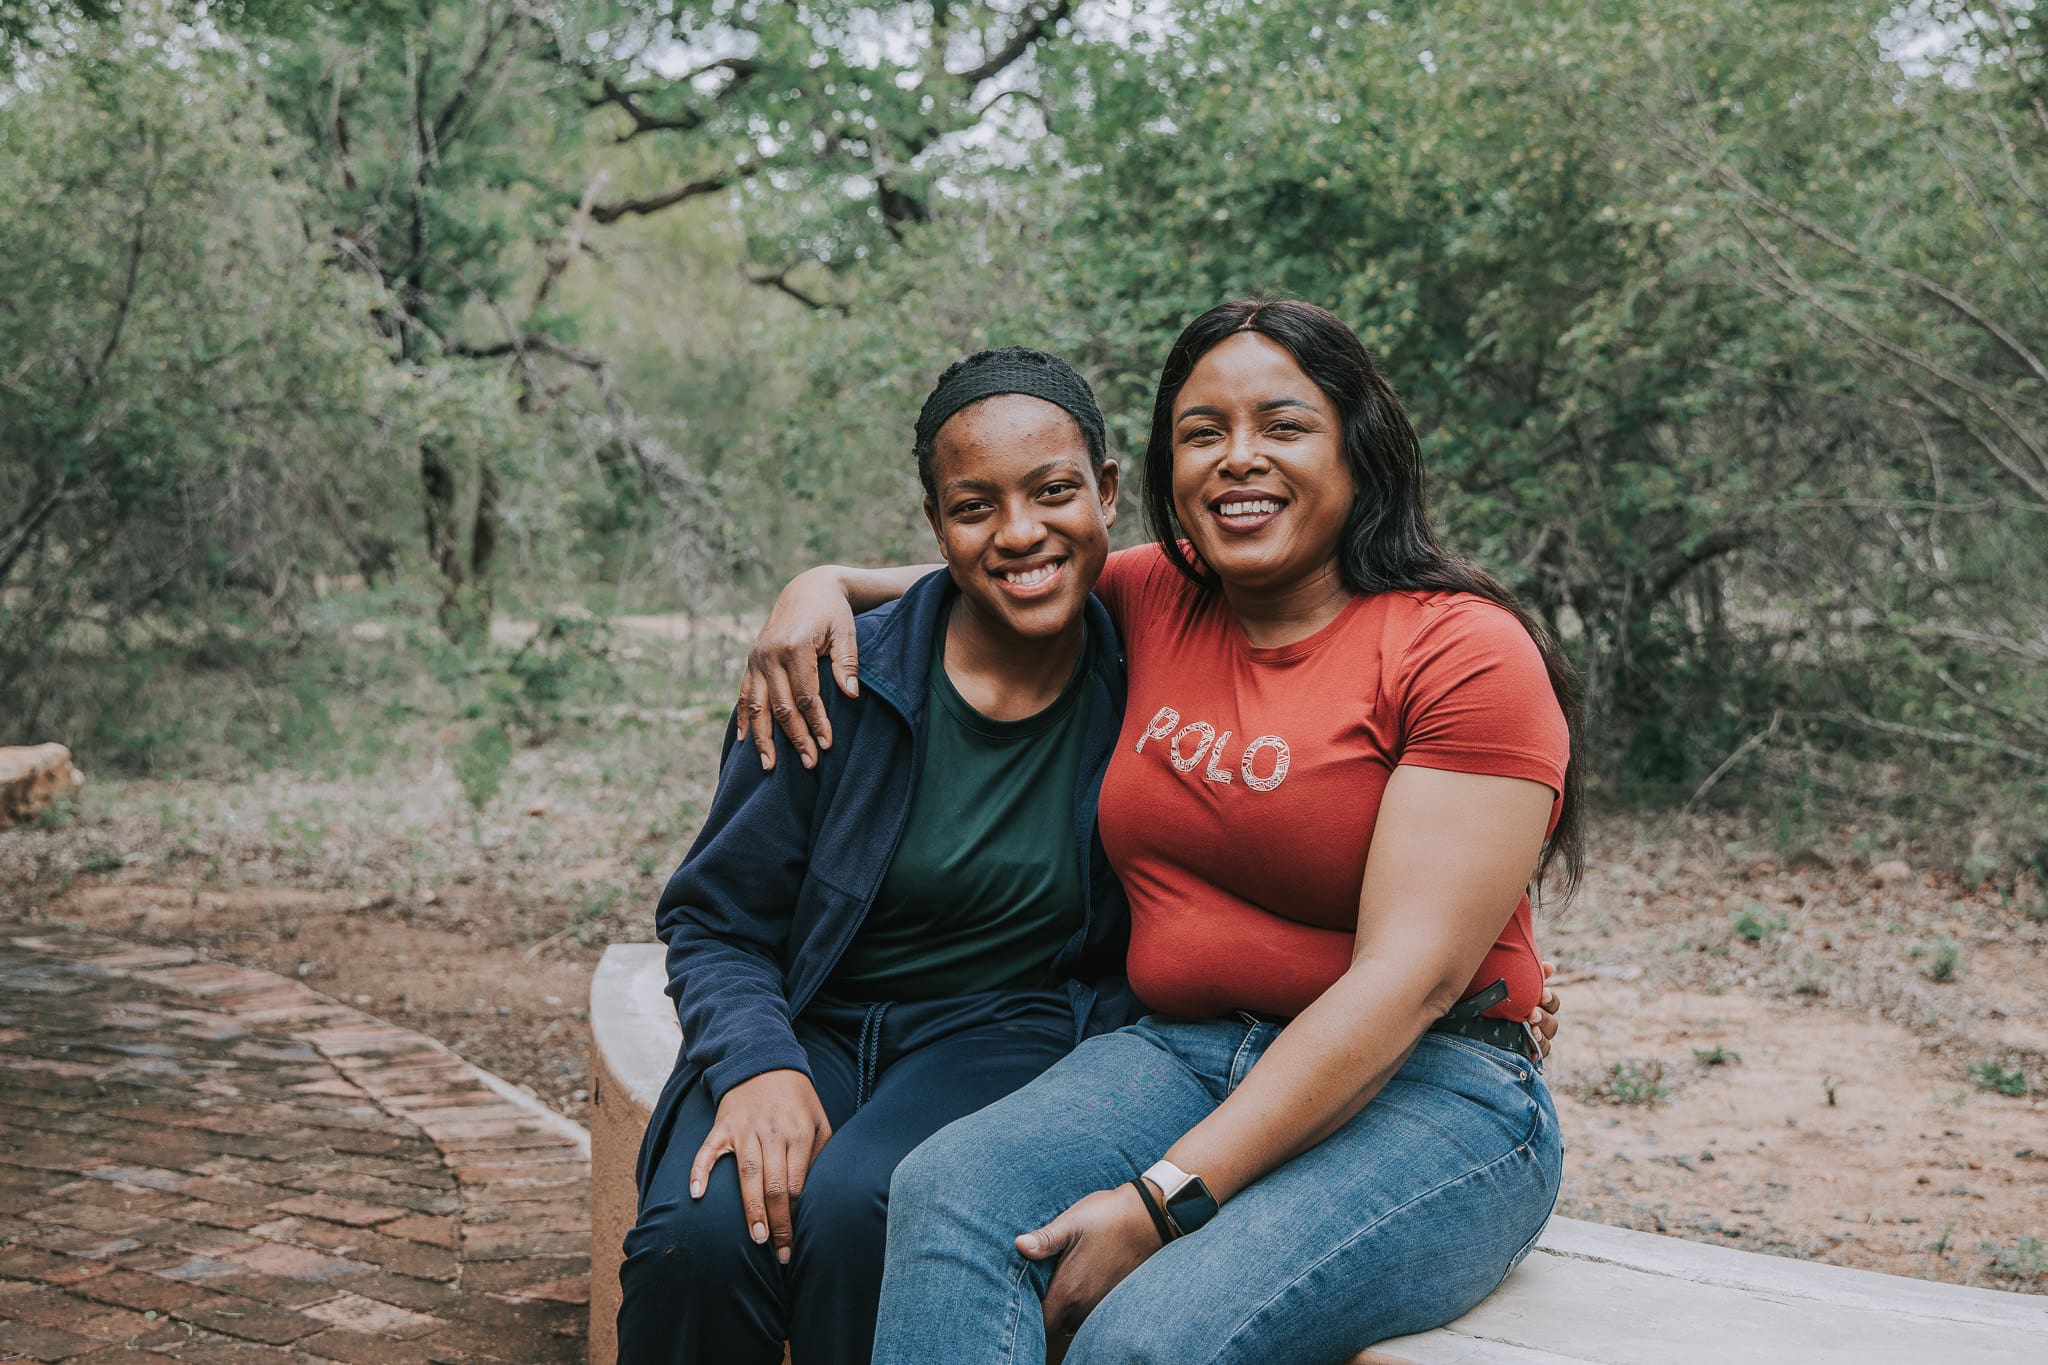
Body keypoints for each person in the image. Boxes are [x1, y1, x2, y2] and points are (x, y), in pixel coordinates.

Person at [741, 298, 1582, 1363]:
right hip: (1178, 1052)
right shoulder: (1159, 595)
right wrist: (820, 584)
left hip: (1432, 1086)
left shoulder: (1459, 653)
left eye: (1281, 426)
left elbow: (1406, 983)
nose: (1237, 460)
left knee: (1143, 1337)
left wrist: (1159, 1200)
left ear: (1357, 446)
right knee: (946, 1194)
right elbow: (1008, 565)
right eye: (1200, 434)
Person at [615, 347, 1139, 1365]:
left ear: (1107, 494)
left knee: (865, 1215)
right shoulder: (832, 678)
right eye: (973, 505)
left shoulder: (1154, 659)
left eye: (1053, 491)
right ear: (937, 523)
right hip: (808, 1019)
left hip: (1004, 1031)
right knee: (704, 1237)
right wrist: (757, 1066)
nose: (1020, 530)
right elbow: (713, 918)